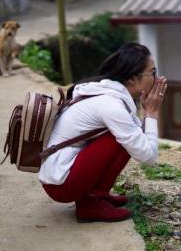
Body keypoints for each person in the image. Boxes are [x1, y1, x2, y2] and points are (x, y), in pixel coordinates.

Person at [39, 43, 168, 222]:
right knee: (120, 139)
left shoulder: (107, 92)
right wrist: (152, 114)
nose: (157, 77)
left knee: (128, 135)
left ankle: (96, 196)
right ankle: (90, 205)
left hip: (60, 175)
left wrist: (147, 112)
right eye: (152, 72)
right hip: (61, 185)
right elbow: (148, 157)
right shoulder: (111, 104)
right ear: (132, 79)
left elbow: (138, 138)